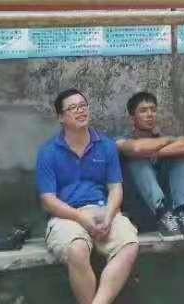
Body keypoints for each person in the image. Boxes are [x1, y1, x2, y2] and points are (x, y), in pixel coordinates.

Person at [36, 89, 139, 304]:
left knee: (129, 245)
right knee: (77, 249)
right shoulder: (48, 152)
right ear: (61, 117)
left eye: (83, 106)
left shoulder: (106, 145)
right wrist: (81, 218)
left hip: (103, 211)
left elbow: (115, 189)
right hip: (67, 216)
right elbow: (48, 200)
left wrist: (109, 217)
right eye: (73, 108)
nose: (80, 111)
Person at [116, 90, 184, 236]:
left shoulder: (161, 138)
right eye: (143, 111)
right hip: (140, 212)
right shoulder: (122, 141)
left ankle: (183, 213)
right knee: (137, 159)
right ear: (132, 118)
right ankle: (162, 214)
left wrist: (155, 152)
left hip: (172, 217)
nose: (150, 114)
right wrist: (168, 141)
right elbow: (136, 149)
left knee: (179, 155)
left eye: (153, 110)